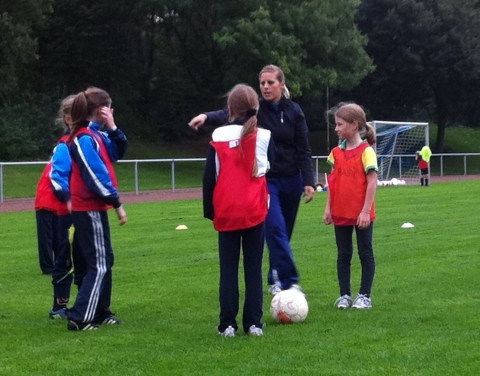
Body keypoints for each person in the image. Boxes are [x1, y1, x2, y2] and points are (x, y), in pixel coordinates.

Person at [190, 64, 315, 295]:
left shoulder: (295, 111)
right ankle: (289, 282)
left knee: (284, 233)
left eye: (270, 83)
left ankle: (274, 277)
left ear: (282, 84)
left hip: (293, 180)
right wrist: (205, 116)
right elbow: (229, 113)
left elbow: (303, 149)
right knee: (275, 229)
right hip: (268, 182)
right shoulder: (257, 110)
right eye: (262, 83)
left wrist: (309, 180)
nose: (266, 87)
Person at [203, 84, 273, 337]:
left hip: (227, 210)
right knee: (254, 269)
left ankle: (227, 325)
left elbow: (210, 177)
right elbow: (267, 170)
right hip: (254, 210)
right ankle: (254, 323)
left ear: (229, 108)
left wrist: (210, 211)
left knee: (228, 270)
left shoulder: (218, 136)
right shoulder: (264, 136)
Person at [65, 87, 128, 331]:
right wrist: (117, 203)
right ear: (101, 110)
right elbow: (95, 174)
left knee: (104, 259)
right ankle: (81, 317)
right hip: (88, 208)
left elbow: (117, 152)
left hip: (94, 207)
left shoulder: (96, 136)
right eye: (109, 108)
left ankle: (100, 312)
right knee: (99, 263)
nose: (112, 112)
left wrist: (113, 127)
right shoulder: (83, 138)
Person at [323, 103, 378, 309]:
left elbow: (372, 182)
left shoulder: (366, 152)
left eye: (339, 124)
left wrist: (365, 210)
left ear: (354, 125)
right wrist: (328, 208)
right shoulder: (335, 153)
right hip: (340, 213)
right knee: (343, 254)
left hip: (361, 214)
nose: (336, 128)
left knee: (365, 252)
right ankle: (344, 295)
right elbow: (332, 182)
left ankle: (364, 296)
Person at [35, 95, 76, 318]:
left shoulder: (84, 140)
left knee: (70, 252)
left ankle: (84, 304)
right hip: (57, 204)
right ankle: (60, 306)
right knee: (63, 252)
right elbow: (57, 178)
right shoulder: (65, 146)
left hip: (65, 204)